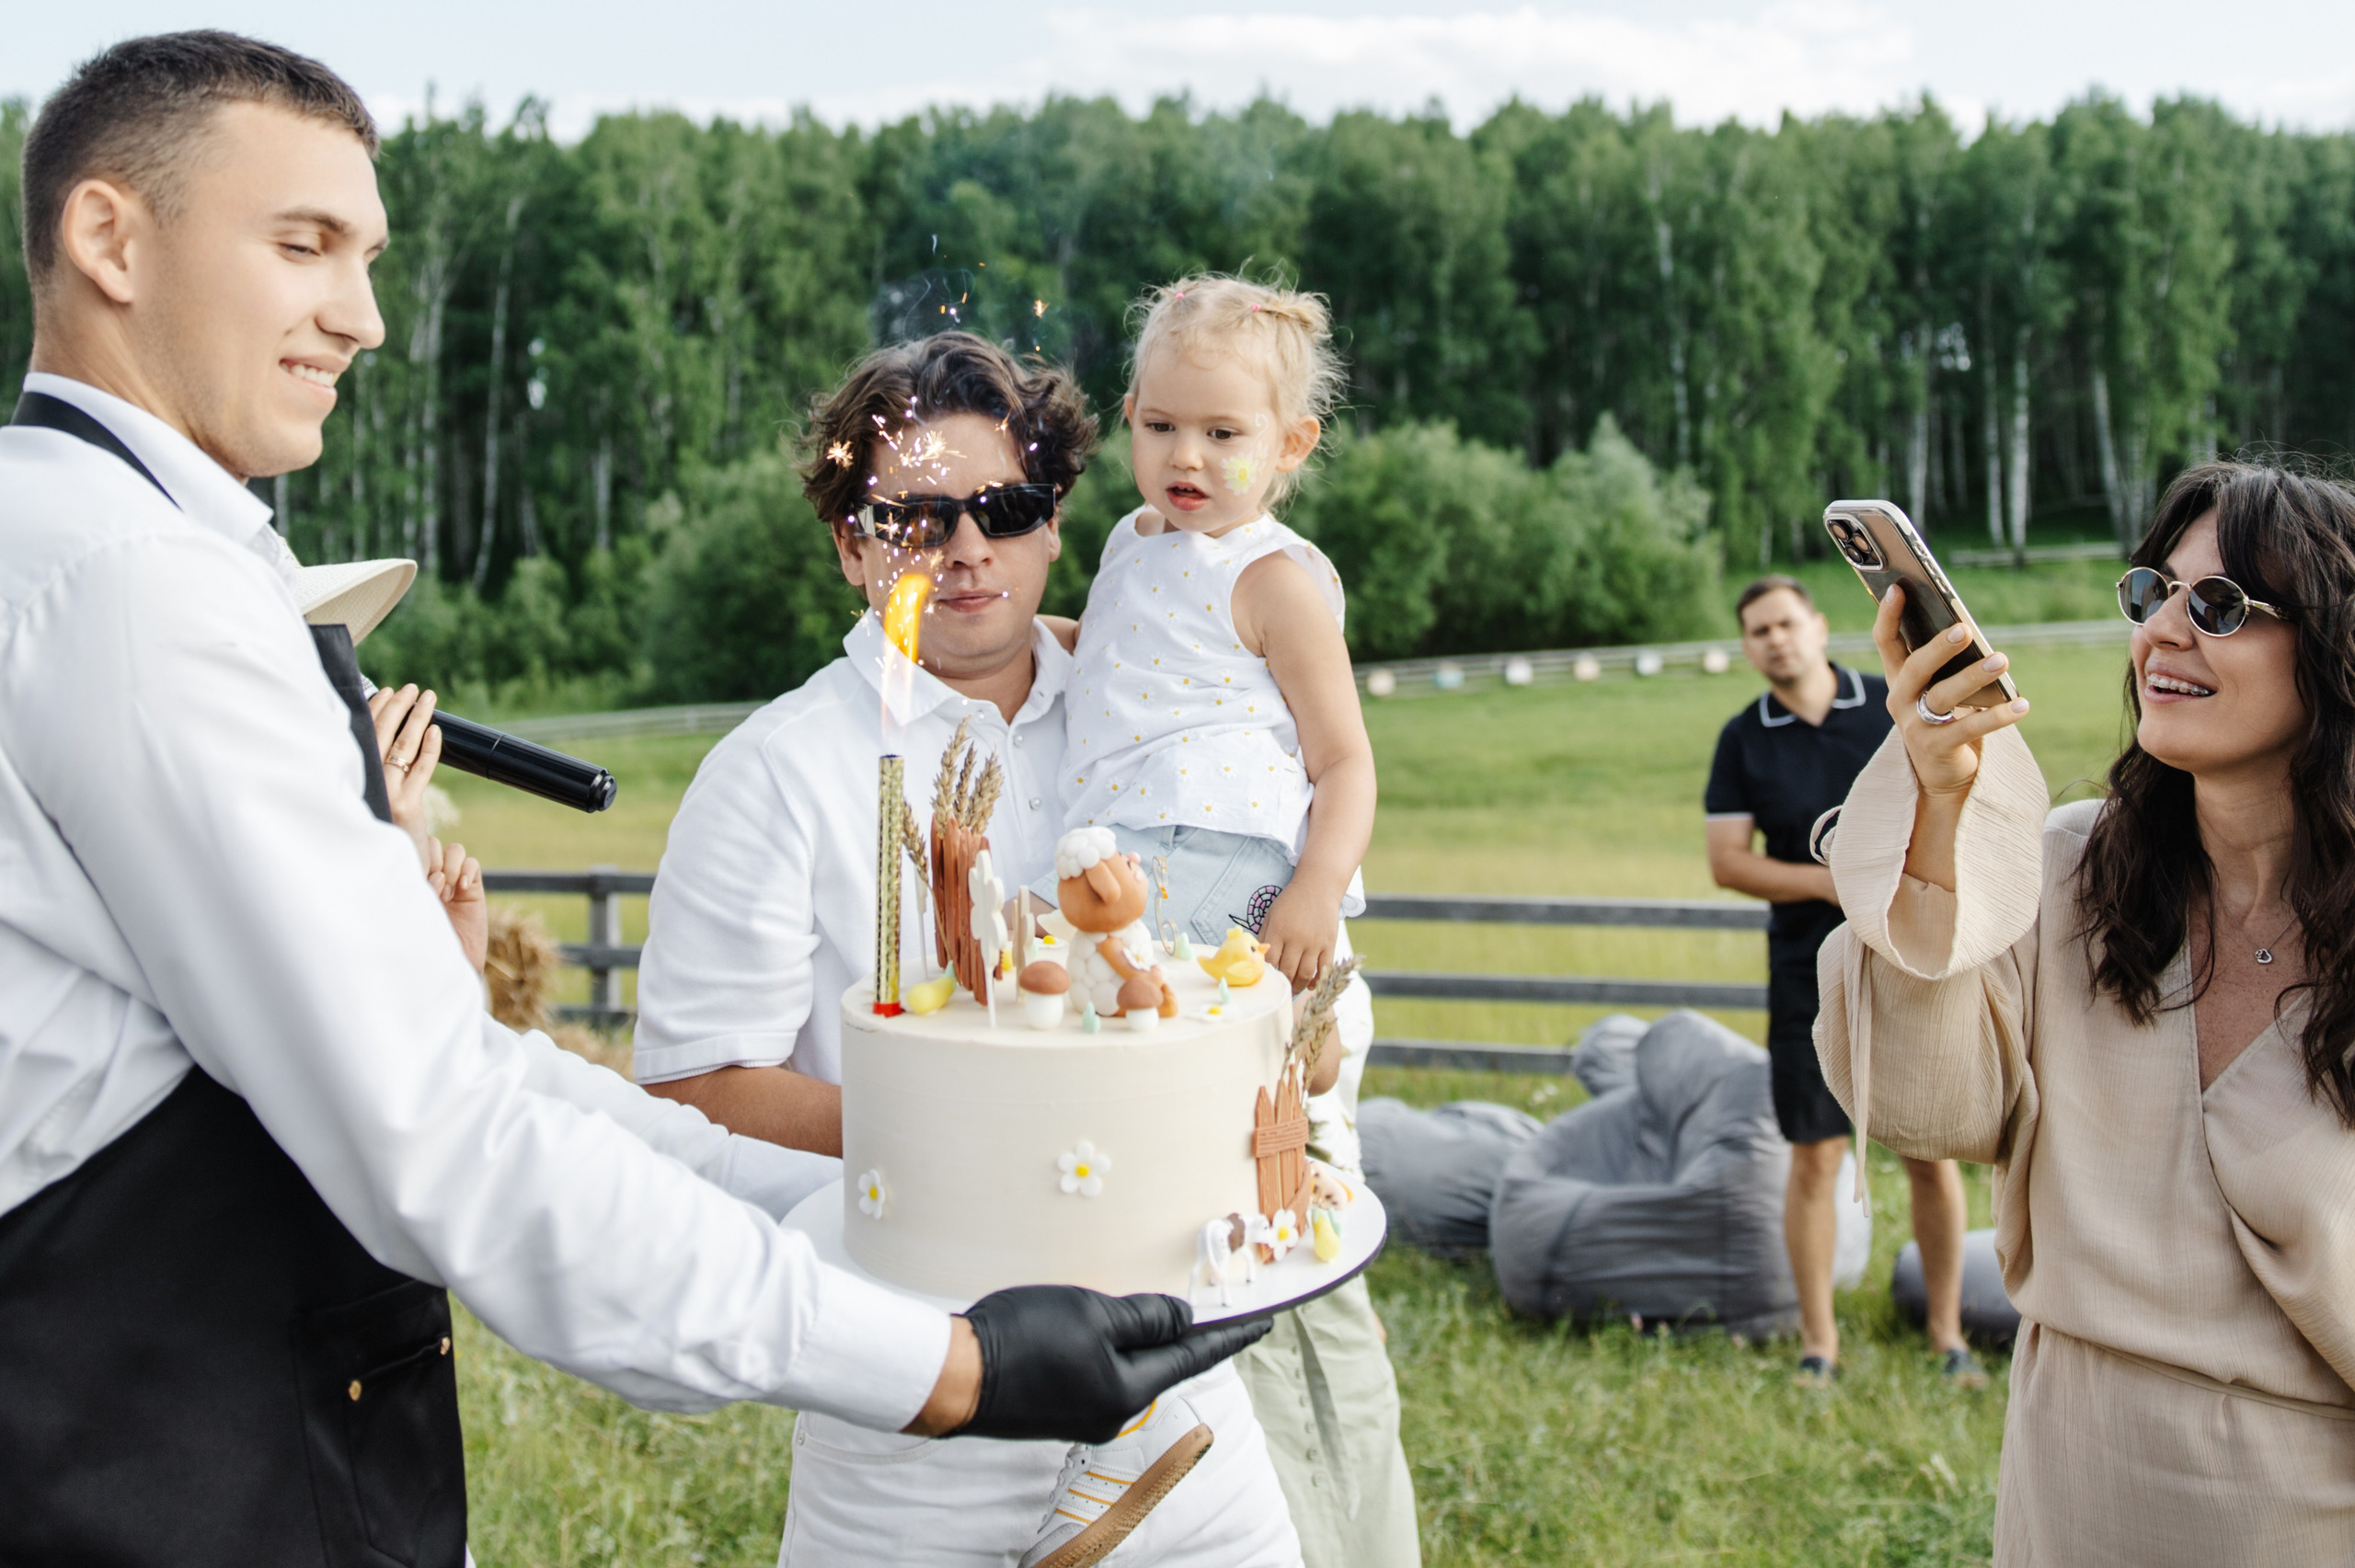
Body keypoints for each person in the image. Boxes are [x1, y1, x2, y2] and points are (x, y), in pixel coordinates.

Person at [0, 34, 1258, 1565]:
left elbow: (473, 1075)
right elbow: (442, 1134)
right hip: (155, 1457)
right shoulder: (132, 591)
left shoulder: (103, 547)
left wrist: (896, 1226)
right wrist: (948, 1368)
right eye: (303, 244)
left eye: (368, 257)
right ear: (110, 236)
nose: (364, 316)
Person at [633, 330, 1302, 1567]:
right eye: (914, 519)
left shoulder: (1157, 707)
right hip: (915, 1406)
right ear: (851, 544)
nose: (966, 549)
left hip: (1182, 1401)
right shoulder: (772, 772)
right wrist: (977, 1143)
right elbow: (694, 1087)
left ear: (1054, 522)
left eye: (1003, 508)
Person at [1817, 463, 2355, 1562]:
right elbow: (1925, 1105)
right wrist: (1941, 808)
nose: (2162, 631)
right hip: (2070, 1485)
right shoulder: (2068, 868)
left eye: (2219, 605)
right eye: (2152, 591)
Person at [1046, 272, 1417, 1568]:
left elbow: (1346, 760)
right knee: (1145, 1200)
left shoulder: (1275, 579)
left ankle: (1338, 1531)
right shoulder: (1130, 548)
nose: (1187, 458)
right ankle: (1173, 1481)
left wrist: (1316, 889)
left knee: (1268, 1203)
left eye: (1223, 433)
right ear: (1129, 418)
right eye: (1162, 427)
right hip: (1121, 893)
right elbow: (1134, 668)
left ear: (1290, 444)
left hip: (1235, 900)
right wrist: (1040, 645)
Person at [1704, 574, 1979, 1385]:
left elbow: (1948, 800)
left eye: (1786, 623)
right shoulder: (1743, 738)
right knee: (1817, 1156)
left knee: (1928, 1150)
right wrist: (1833, 885)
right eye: (1759, 631)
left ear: (1819, 627)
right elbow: (1728, 862)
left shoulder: (1887, 707)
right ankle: (1819, 1345)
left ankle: (1948, 1334)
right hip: (1806, 969)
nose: (1775, 640)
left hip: (1907, 954)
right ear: (1748, 648)